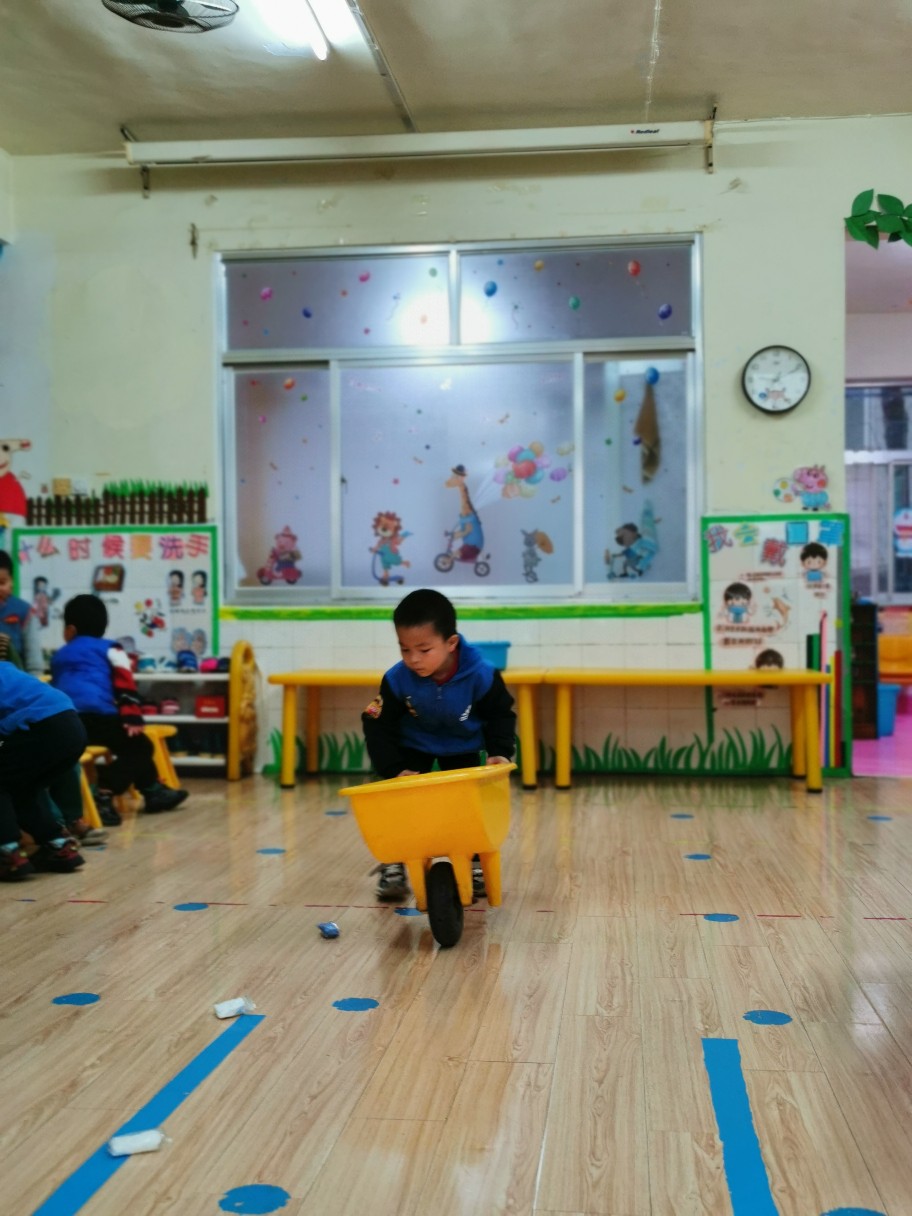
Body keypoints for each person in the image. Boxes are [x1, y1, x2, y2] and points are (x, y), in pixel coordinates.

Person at [361, 588, 516, 902]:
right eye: (405, 649)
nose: (413, 659)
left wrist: (500, 752)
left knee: (470, 809)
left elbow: (500, 714)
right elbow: (374, 720)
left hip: (463, 746)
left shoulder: (482, 674)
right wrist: (394, 769)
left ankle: (473, 863)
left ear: (451, 643)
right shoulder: (396, 680)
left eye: (424, 649)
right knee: (399, 806)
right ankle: (394, 863)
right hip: (413, 746)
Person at [51, 594, 189, 819]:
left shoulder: (59, 655)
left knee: (134, 747)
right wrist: (132, 717)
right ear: (103, 627)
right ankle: (105, 791)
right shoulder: (111, 648)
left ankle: (153, 791)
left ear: (70, 629)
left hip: (66, 724)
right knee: (140, 746)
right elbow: (125, 685)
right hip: (99, 718)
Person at [0, 663, 87, 881]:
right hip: (72, 726)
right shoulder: (5, 667)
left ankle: (8, 852)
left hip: (42, 725)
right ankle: (58, 845)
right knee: (23, 788)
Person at [0, 549, 43, 674]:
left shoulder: (24, 612)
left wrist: (32, 682)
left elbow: (34, 663)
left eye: (2, 582)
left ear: (11, 582)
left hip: (16, 682)